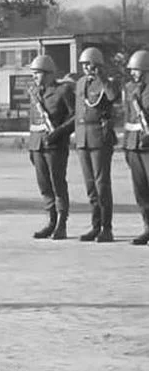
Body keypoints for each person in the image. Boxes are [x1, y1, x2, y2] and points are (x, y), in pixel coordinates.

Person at [26, 54, 76, 240]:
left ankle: (62, 223)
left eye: (37, 73)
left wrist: (59, 132)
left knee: (57, 184)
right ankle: (51, 220)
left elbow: (74, 117)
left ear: (48, 74)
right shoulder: (35, 93)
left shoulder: (62, 91)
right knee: (44, 185)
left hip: (55, 145)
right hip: (37, 145)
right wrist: (31, 147)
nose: (34, 77)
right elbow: (33, 121)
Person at [73, 47, 119, 242]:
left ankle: (106, 228)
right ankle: (95, 225)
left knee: (102, 184)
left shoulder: (107, 83)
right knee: (90, 185)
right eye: (83, 64)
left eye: (89, 64)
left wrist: (102, 79)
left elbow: (112, 97)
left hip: (99, 137)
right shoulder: (81, 83)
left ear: (97, 65)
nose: (86, 68)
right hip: (83, 137)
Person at [124, 49, 149, 245]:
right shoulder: (130, 88)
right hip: (134, 145)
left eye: (136, 70)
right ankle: (147, 227)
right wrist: (126, 146)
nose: (132, 73)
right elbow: (128, 119)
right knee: (140, 191)